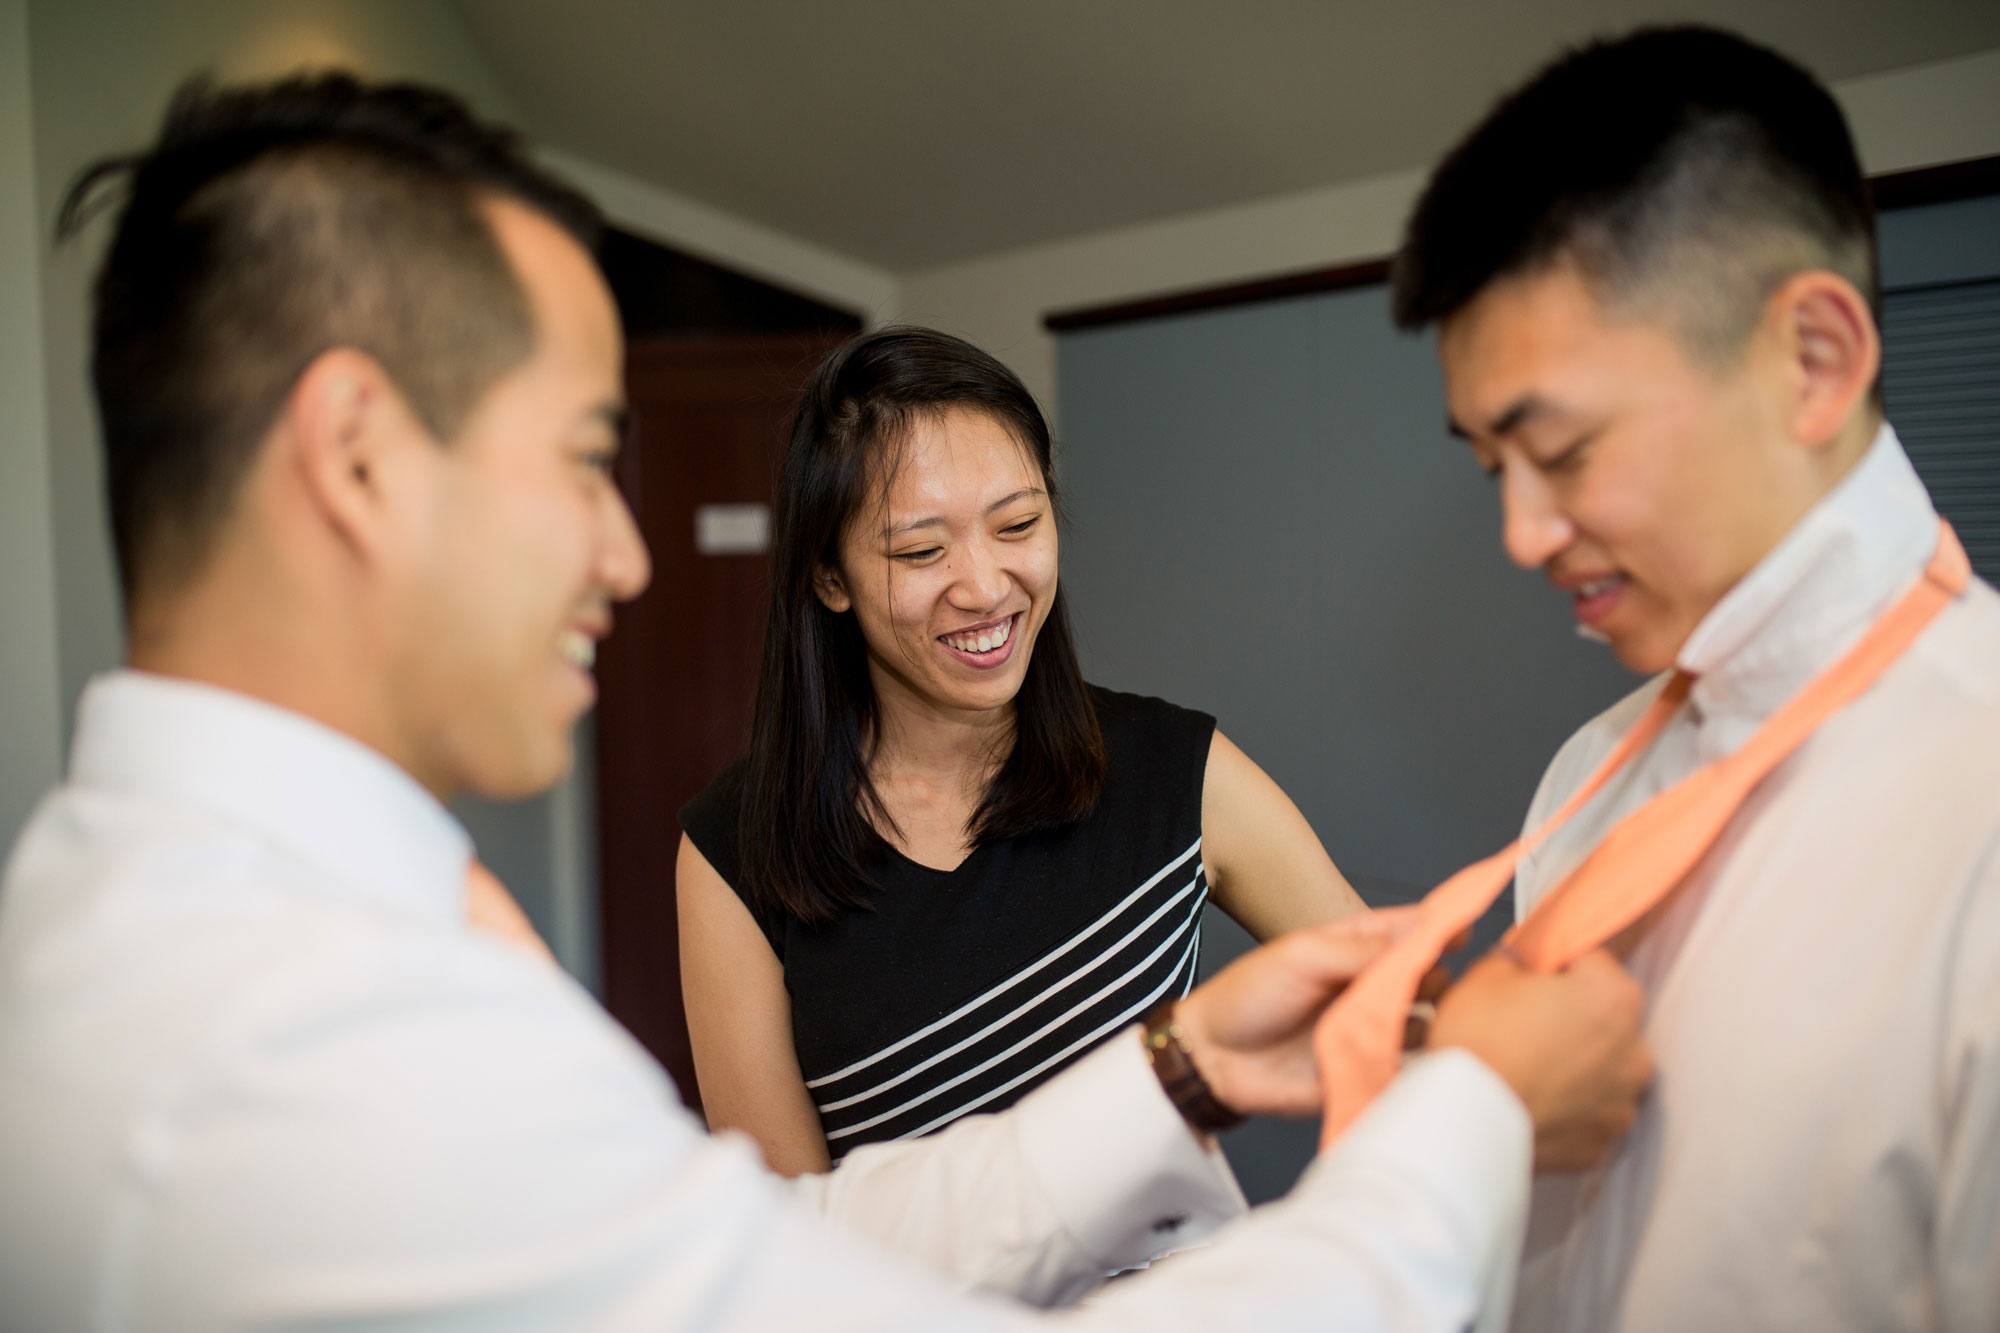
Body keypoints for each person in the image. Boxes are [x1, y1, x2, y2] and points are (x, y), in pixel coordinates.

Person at [0, 71, 1656, 1331]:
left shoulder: (170, 924)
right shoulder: (307, 1037)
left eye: (1016, 525)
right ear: (357, 456)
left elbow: (774, 1250)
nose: (626, 553)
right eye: (587, 457)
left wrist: (1171, 1066)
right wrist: (1484, 1112)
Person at [1389, 25, 2000, 1332]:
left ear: (1814, 361)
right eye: (1494, 465)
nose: (1523, 535)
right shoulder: (1587, 778)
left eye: (1561, 448)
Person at [679, 327, 1369, 1174]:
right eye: (921, 550)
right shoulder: (735, 853)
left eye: (1017, 524)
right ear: (830, 577)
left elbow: (1394, 998)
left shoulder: (1172, 769)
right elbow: (786, 1240)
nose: (984, 587)